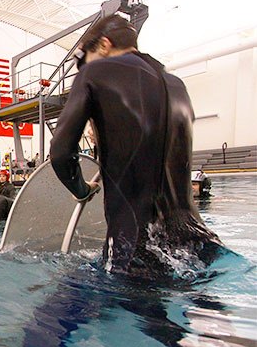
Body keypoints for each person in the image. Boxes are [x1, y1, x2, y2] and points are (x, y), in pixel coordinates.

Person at [49, 15, 221, 279]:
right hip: (196, 241)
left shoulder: (94, 73)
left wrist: (82, 189)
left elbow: (61, 153)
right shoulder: (177, 85)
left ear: (104, 45)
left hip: (134, 249)